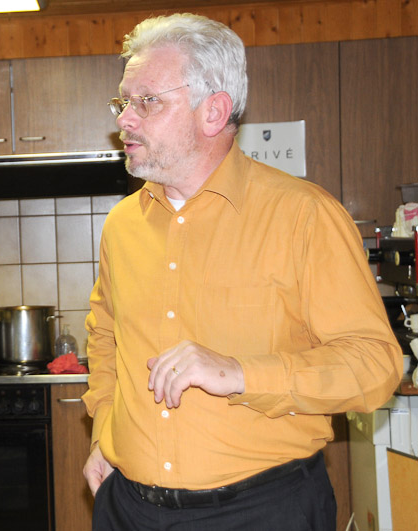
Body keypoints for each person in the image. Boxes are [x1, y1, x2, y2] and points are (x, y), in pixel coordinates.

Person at [82, 13, 402, 531]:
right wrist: (104, 429)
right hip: (129, 509)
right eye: (124, 103)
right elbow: (105, 337)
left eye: (148, 101)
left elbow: (374, 365)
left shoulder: (304, 215)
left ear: (213, 111)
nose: (126, 121)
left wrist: (240, 373)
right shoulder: (121, 225)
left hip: (262, 511)